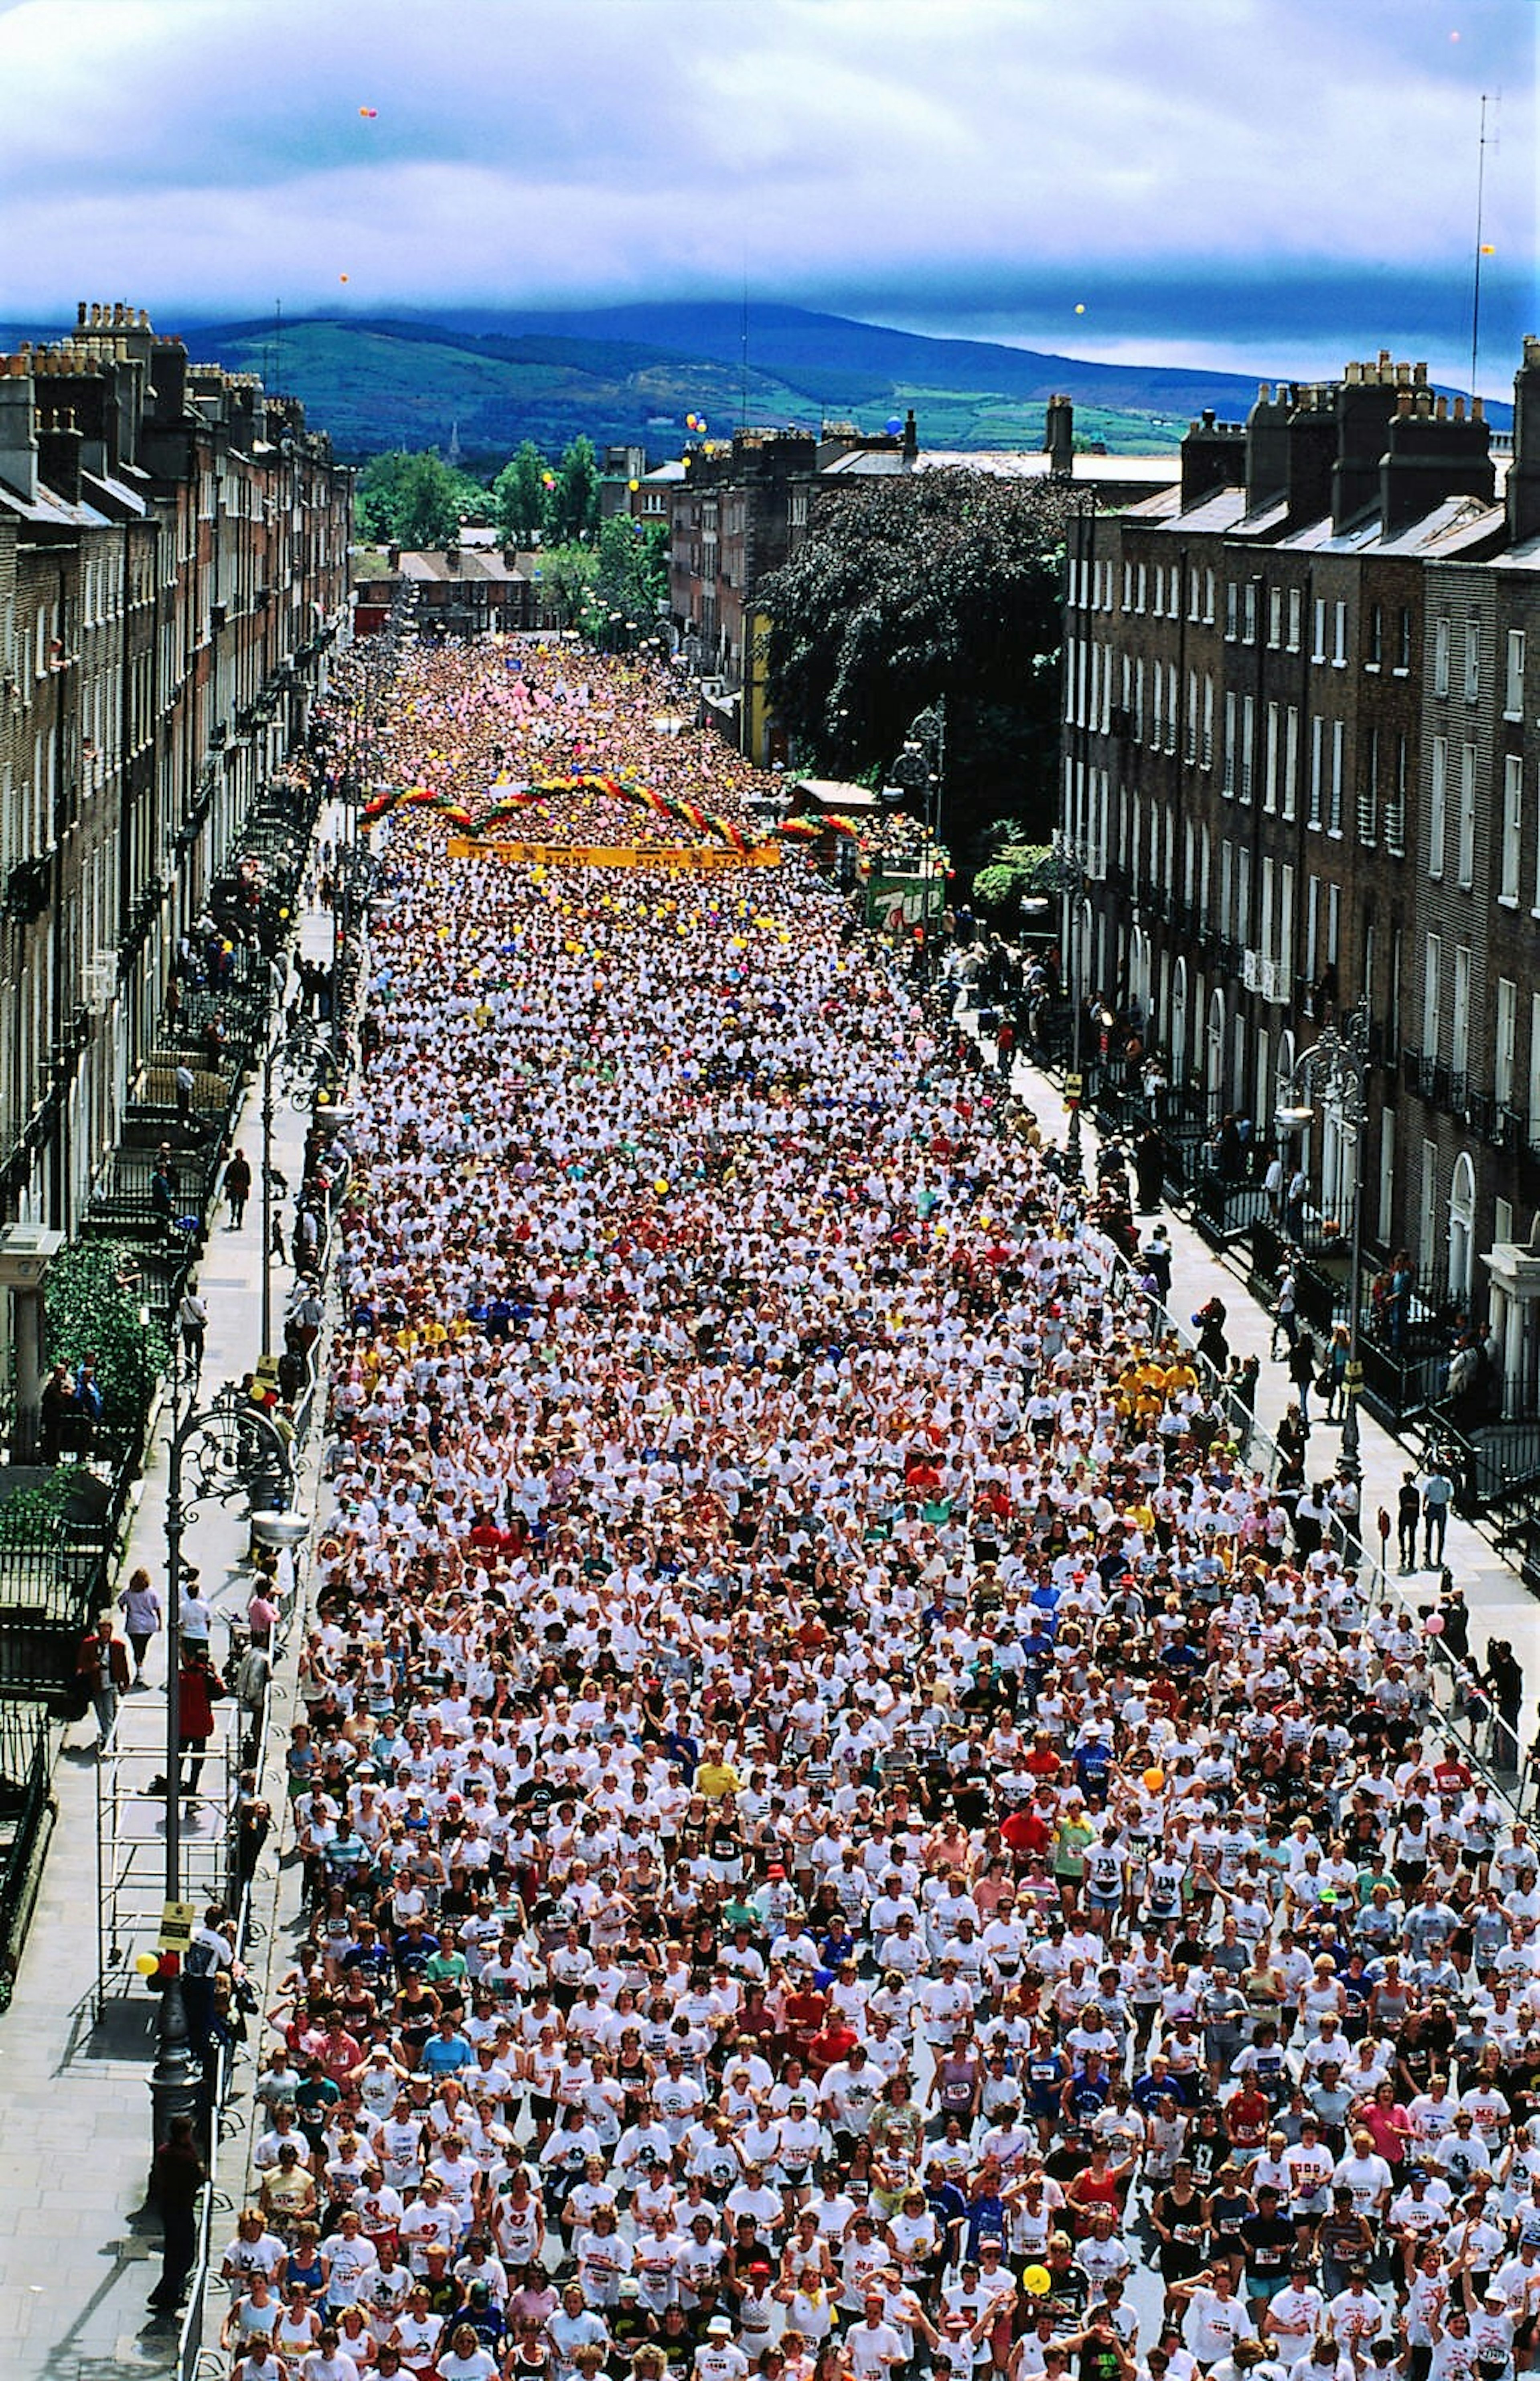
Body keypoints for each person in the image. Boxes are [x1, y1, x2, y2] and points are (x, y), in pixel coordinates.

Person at [148, 2112, 207, 2312]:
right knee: (184, 2253)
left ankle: (169, 2291)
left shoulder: (164, 2151)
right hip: (181, 2207)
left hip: (168, 2207)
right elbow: (198, 2176)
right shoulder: (184, 2157)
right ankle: (168, 2292)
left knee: (173, 2251)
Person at [76, 1610, 130, 1748]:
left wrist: (125, 1683)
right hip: (96, 1684)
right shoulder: (89, 1645)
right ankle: (107, 1733)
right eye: (103, 1633)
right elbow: (81, 1664)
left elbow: (123, 1665)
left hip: (111, 1684)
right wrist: (92, 1666)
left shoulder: (118, 1646)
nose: (105, 1636)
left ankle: (109, 1739)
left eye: (108, 1633)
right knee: (101, 1711)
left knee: (110, 1712)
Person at [117, 1564, 162, 1681]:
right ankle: (140, 1668)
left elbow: (120, 1601)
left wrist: (123, 1609)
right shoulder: (151, 1593)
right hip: (148, 1625)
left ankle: (139, 1668)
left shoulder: (129, 1593)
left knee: (136, 1648)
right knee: (143, 1647)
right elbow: (157, 1608)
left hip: (134, 1625)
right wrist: (160, 1623)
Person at [179, 1280, 209, 1376]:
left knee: (188, 1349)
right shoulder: (199, 1302)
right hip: (196, 1327)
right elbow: (202, 1316)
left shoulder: (183, 1302)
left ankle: (189, 1369)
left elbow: (181, 1313)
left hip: (186, 1327)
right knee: (199, 1347)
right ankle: (198, 1366)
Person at [226, 1146, 253, 1229]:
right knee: (234, 1205)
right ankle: (234, 1220)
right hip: (236, 1187)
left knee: (240, 1206)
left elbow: (248, 1177)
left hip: (240, 1188)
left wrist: (247, 1185)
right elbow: (228, 1176)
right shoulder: (234, 1165)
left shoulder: (244, 1165)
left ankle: (238, 1222)